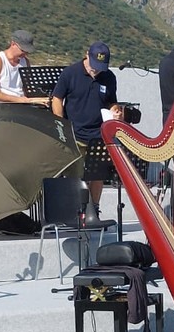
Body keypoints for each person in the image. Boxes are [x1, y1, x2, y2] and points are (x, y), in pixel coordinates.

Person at [51, 42, 121, 211]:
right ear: (87, 55)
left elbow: (112, 102)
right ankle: (77, 210)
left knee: (98, 174)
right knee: (75, 176)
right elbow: (57, 98)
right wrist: (61, 124)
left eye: (100, 67)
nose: (96, 70)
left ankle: (94, 209)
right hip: (75, 134)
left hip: (99, 136)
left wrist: (115, 112)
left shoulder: (109, 77)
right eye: (94, 66)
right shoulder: (70, 73)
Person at [0, 30, 46, 104]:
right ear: (13, 44)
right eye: (23, 50)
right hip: (1, 104)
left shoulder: (25, 62)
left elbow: (27, 88)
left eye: (27, 52)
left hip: (21, 104)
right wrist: (17, 99)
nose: (25, 54)